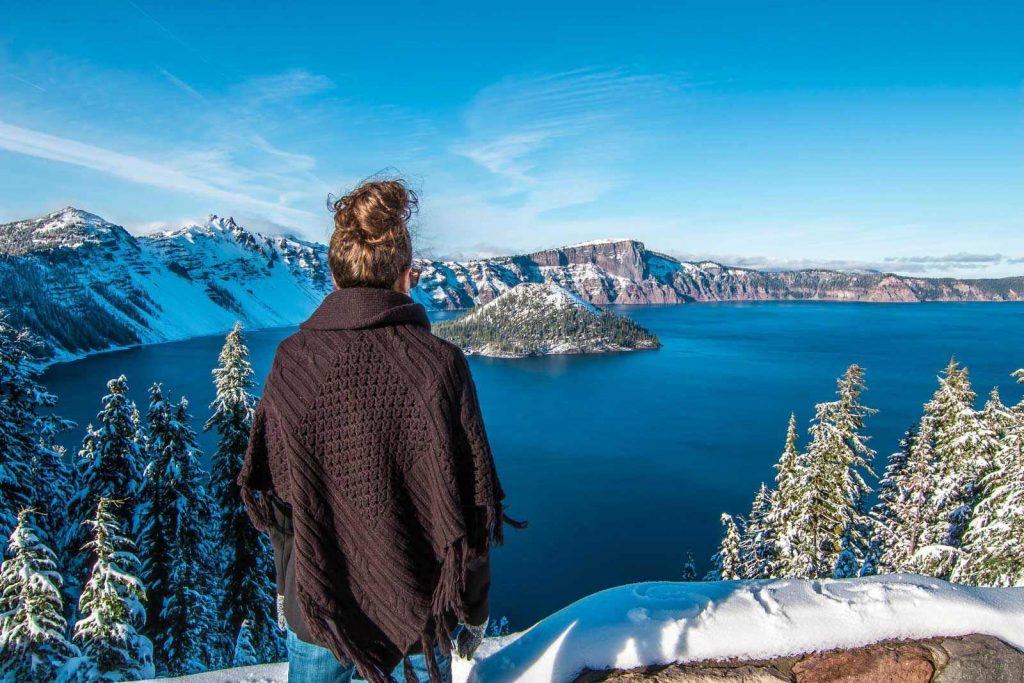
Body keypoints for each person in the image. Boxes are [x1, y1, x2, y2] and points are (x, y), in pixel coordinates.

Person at [238, 178, 520, 683]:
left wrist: (289, 587)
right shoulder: (438, 366)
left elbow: (282, 503)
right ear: (404, 276)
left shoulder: (293, 363)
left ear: (334, 273)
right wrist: (474, 609)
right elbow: (470, 505)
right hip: (419, 612)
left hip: (315, 610)